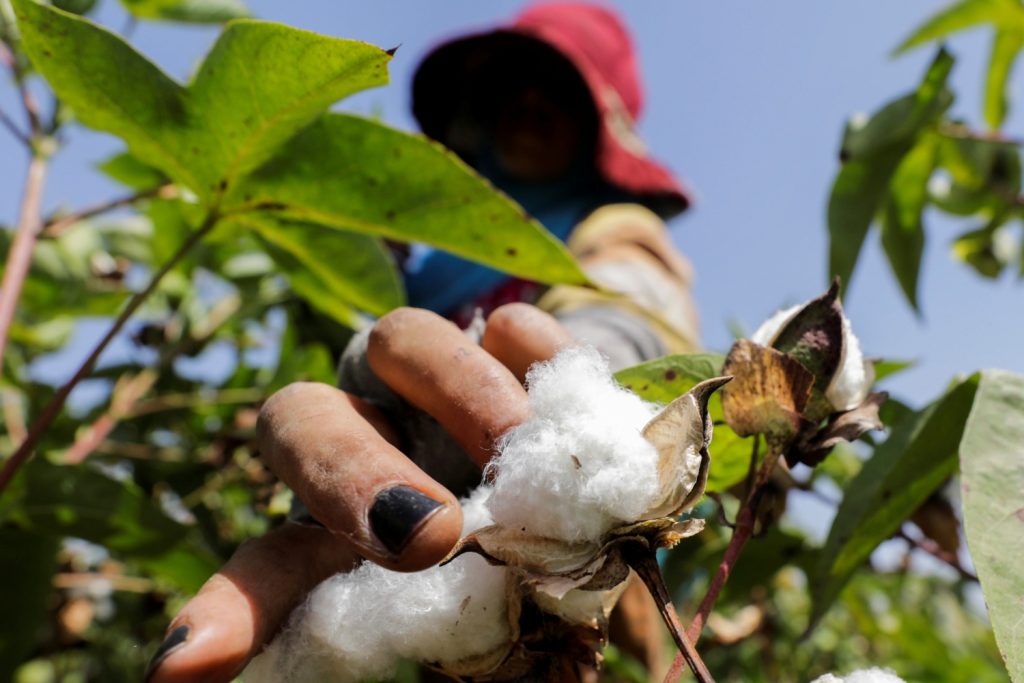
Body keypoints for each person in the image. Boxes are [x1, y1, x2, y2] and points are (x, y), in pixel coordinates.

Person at [146, 4, 700, 682]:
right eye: (509, 85)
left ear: (597, 122)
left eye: (554, 88)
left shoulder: (617, 227)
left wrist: (566, 406)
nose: (527, 102)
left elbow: (631, 330)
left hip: (594, 622)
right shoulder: (426, 267)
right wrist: (382, 398)